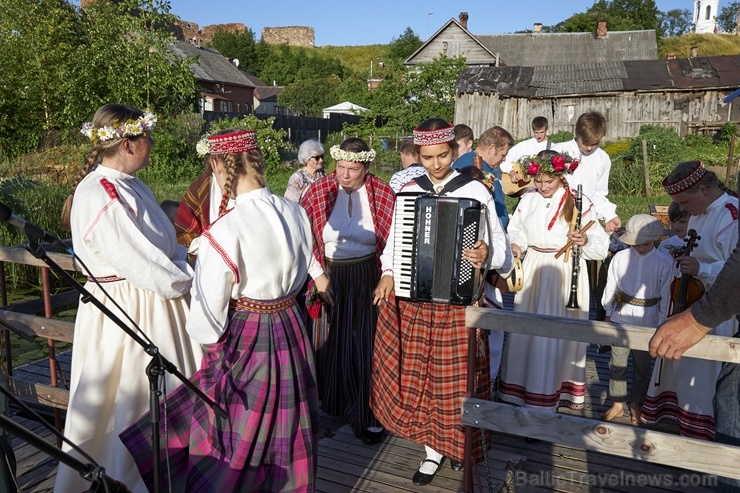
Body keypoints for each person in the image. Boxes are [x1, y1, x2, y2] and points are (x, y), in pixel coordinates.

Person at [120, 129, 327, 492]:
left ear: (218, 165)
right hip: (292, 328)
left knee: (239, 434)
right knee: (289, 422)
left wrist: (211, 350)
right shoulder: (296, 211)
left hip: (249, 335)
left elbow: (206, 318)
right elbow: (308, 262)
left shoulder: (224, 232)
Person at [54, 103, 203, 493]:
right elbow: (141, 264)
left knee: (166, 395)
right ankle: (129, 482)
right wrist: (192, 280)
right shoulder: (102, 193)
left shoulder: (132, 185)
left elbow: (161, 249)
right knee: (131, 399)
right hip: (130, 307)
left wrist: (187, 256)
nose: (152, 143)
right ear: (128, 144)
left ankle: (172, 476)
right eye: (147, 136)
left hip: (151, 301)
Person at [371, 118, 512, 486]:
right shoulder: (408, 191)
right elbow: (395, 245)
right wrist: (388, 272)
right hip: (418, 301)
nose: (436, 164)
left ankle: (459, 445)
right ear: (418, 155)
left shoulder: (475, 191)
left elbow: (503, 252)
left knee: (459, 379)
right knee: (424, 378)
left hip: (458, 301)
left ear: (455, 151)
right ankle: (432, 451)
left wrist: (485, 253)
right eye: (428, 157)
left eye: (443, 155)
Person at [300, 137, 395, 445]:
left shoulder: (382, 193)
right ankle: (333, 404)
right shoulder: (318, 191)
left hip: (368, 275)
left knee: (363, 343)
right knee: (329, 341)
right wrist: (317, 276)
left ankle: (364, 409)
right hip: (329, 275)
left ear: (366, 167)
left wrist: (388, 275)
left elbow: (393, 239)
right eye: (340, 167)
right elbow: (304, 239)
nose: (344, 174)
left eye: (352, 169)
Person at [498, 150, 609, 412]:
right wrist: (516, 245)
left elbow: (601, 246)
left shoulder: (578, 201)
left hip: (566, 269)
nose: (544, 187)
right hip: (534, 268)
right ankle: (521, 394)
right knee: (528, 333)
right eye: (539, 181)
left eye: (549, 181)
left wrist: (586, 240)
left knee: (559, 335)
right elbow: (517, 229)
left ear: (561, 176)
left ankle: (551, 397)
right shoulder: (528, 199)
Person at [642, 160, 738, 441]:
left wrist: (702, 269)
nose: (682, 210)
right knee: (684, 373)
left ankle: (711, 450)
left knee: (707, 381)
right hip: (690, 301)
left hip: (717, 312)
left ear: (705, 190)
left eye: (684, 201)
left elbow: (736, 273)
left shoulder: (731, 215)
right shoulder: (698, 212)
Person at [600, 214, 673, 425]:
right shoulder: (620, 258)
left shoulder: (664, 262)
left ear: (656, 240)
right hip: (620, 316)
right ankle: (618, 402)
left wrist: (661, 324)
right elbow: (611, 287)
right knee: (617, 363)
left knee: (642, 367)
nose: (640, 247)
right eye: (636, 243)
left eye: (645, 243)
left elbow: (666, 295)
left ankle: (636, 403)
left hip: (648, 321)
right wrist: (607, 314)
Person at [553, 111, 621, 233]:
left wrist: (609, 215)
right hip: (556, 215)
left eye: (594, 144)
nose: (589, 148)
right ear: (577, 134)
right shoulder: (558, 151)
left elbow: (598, 194)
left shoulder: (602, 158)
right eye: (585, 143)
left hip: (585, 217)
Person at [175, 134, 235, 256]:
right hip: (209, 260)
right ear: (215, 164)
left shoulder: (251, 189)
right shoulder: (202, 187)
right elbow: (185, 233)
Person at [452, 125, 514, 229]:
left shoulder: (460, 162)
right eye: (503, 155)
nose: (503, 159)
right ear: (492, 148)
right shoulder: (480, 171)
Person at [501, 116, 550, 197]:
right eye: (536, 132)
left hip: (543, 190)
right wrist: (511, 172)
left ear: (546, 130)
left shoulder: (552, 147)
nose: (539, 136)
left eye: (541, 132)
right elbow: (505, 158)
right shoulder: (526, 145)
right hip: (525, 192)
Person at [284, 138, 326, 203]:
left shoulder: (322, 173)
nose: (321, 160)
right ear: (306, 159)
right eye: (317, 158)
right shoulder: (297, 178)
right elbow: (289, 203)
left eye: (322, 156)